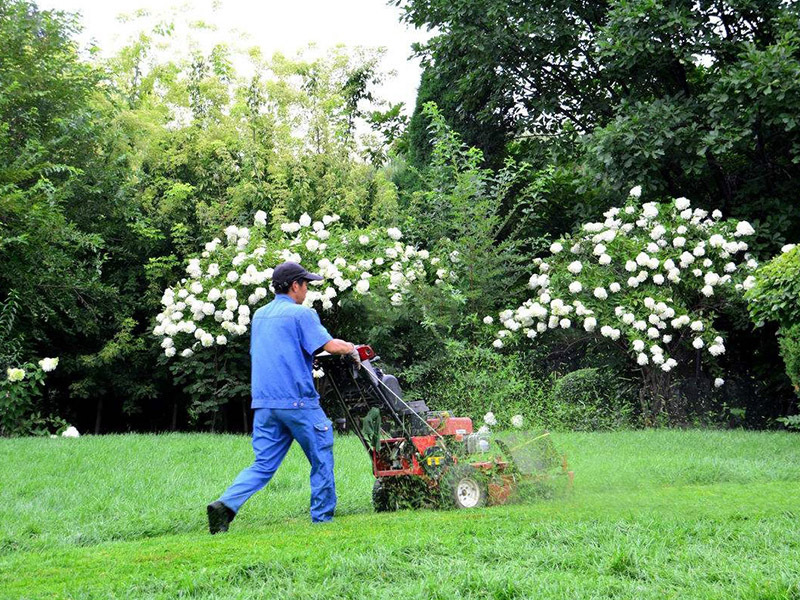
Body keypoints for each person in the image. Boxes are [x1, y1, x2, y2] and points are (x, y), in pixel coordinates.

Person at [207, 261, 360, 533]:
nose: (307, 291)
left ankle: (225, 506)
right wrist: (352, 348)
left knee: (263, 464)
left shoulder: (260, 315)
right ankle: (322, 519)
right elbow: (331, 346)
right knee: (321, 454)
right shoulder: (302, 315)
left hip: (265, 404)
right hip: (298, 402)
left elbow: (278, 351)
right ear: (294, 286)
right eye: (306, 285)